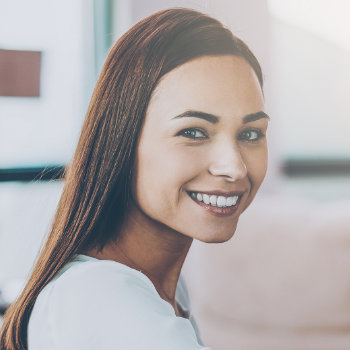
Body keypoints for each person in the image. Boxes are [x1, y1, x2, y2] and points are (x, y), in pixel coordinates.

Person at [0, 7, 269, 350]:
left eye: (250, 134)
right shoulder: (105, 298)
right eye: (193, 131)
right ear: (122, 140)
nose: (235, 168)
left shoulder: (154, 285)